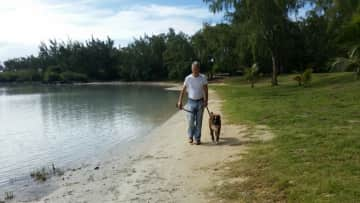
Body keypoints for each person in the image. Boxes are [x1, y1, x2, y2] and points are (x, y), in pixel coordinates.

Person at [177, 61, 208, 145]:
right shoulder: (188, 78)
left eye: (196, 69)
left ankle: (197, 138)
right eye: (193, 69)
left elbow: (205, 89)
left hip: (200, 101)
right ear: (191, 69)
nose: (194, 70)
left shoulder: (203, 77)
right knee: (190, 120)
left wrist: (206, 101)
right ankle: (190, 136)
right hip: (190, 102)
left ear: (198, 69)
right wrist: (180, 101)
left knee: (199, 121)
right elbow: (183, 90)